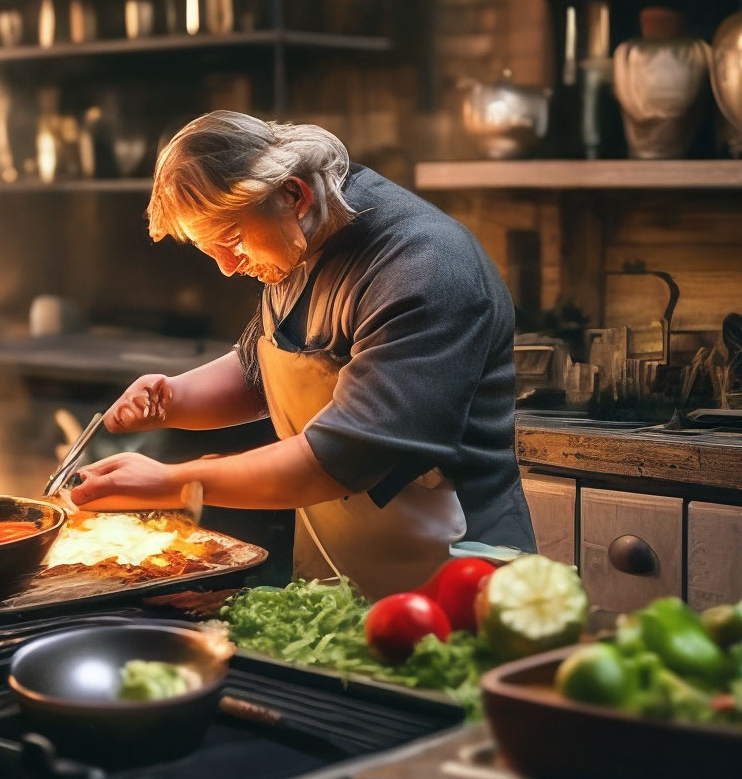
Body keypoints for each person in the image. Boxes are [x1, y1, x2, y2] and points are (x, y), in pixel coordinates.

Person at [72, 111, 536, 598]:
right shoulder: (298, 240)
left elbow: (343, 458)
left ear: (294, 195)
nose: (227, 268)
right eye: (210, 250)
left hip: (462, 574)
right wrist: (175, 398)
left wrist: (173, 483)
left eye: (230, 239)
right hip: (344, 577)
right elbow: (265, 366)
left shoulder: (423, 266)